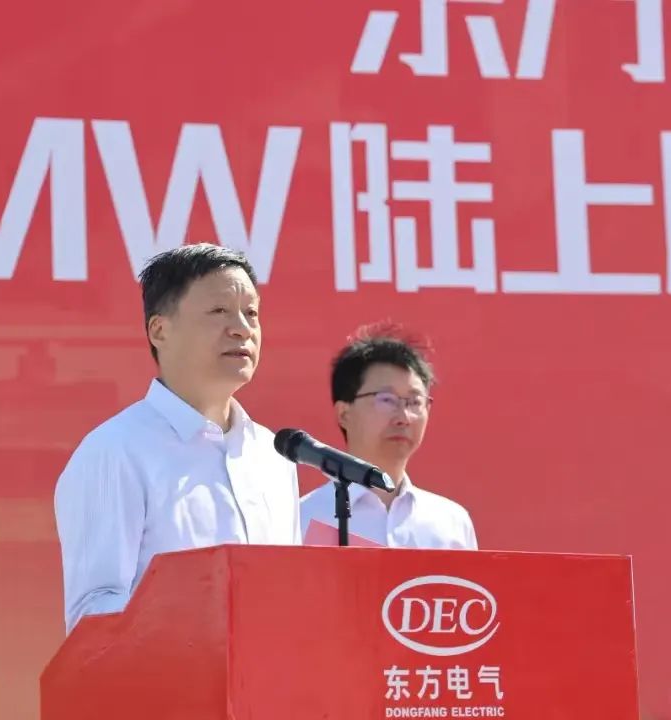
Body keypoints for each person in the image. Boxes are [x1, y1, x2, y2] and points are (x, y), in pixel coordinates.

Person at [54, 243, 301, 633]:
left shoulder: (273, 456)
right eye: (219, 311)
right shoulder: (116, 451)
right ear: (160, 330)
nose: (242, 328)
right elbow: (92, 615)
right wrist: (206, 612)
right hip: (168, 672)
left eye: (251, 313)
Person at [300, 323, 477, 549]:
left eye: (414, 402)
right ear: (344, 413)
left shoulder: (451, 524)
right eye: (386, 399)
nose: (404, 417)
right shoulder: (303, 517)